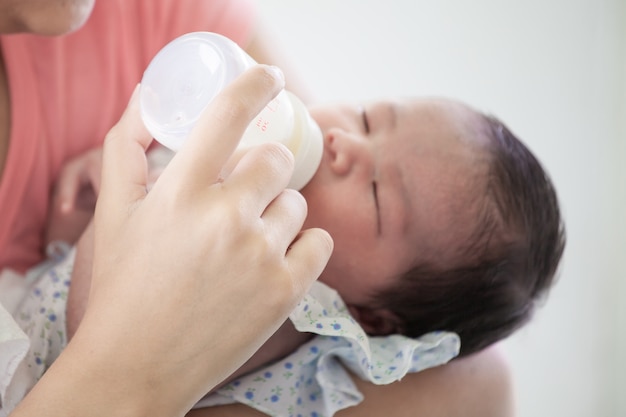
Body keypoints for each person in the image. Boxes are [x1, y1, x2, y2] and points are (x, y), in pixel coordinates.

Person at [18, 94, 564, 415]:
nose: (343, 144)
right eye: (369, 119)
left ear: (370, 317)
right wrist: (92, 207)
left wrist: (128, 188)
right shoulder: (240, 188)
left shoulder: (288, 304)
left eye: (377, 192)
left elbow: (99, 328)